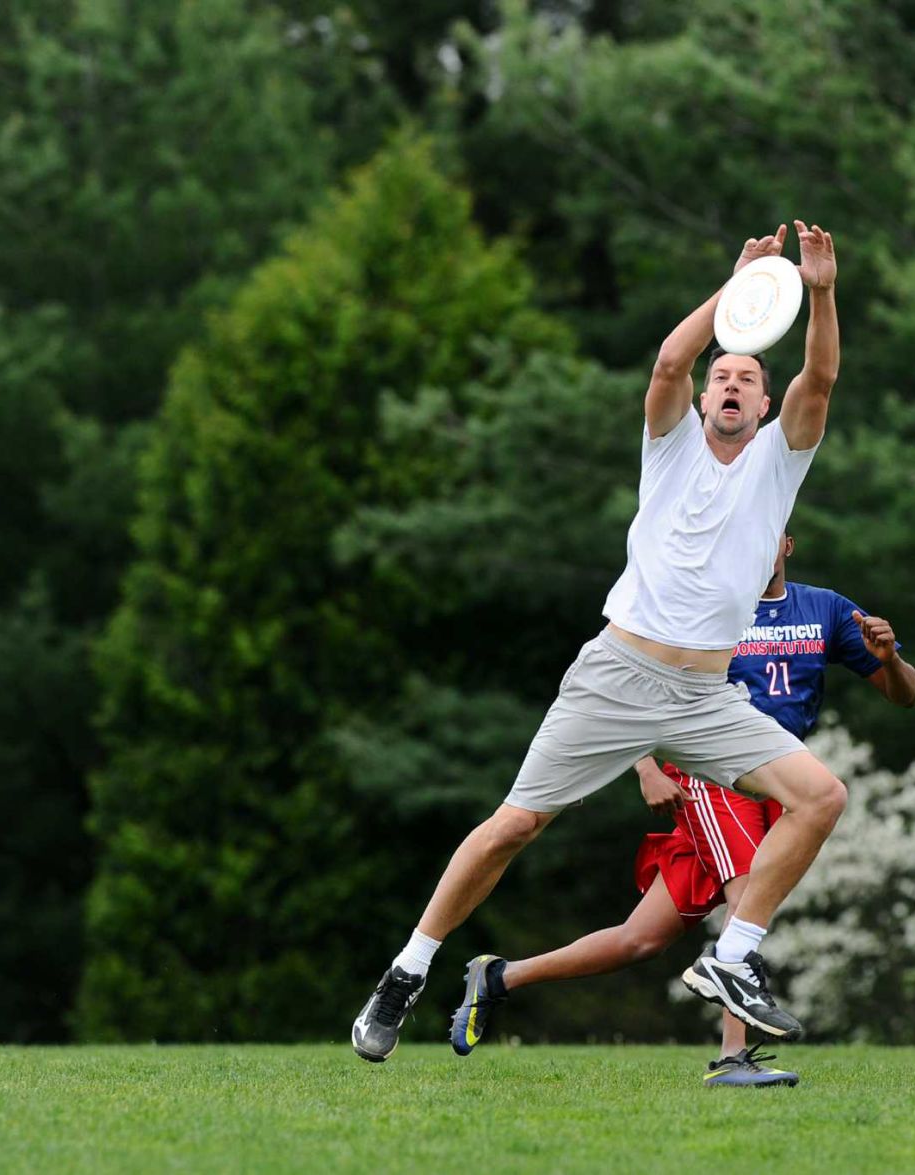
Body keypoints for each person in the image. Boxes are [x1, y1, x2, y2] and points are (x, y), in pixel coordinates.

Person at [352, 221, 848, 1062]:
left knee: (821, 797)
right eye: (720, 376)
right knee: (513, 827)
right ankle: (407, 969)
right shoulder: (669, 443)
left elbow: (823, 374)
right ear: (702, 400)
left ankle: (732, 960)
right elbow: (664, 362)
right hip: (617, 674)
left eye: (746, 380)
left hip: (703, 696)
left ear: (764, 406)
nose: (730, 385)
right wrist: (735, 290)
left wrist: (819, 291)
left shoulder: (779, 459)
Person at [445, 532, 915, 1086]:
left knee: (640, 939)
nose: (755, 544)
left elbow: (906, 695)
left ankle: (499, 978)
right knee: (745, 891)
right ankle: (732, 1060)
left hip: (780, 781)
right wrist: (646, 765)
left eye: (766, 533)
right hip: (709, 774)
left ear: (786, 544)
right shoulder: (704, 606)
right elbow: (631, 684)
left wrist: (888, 661)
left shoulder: (827, 608)